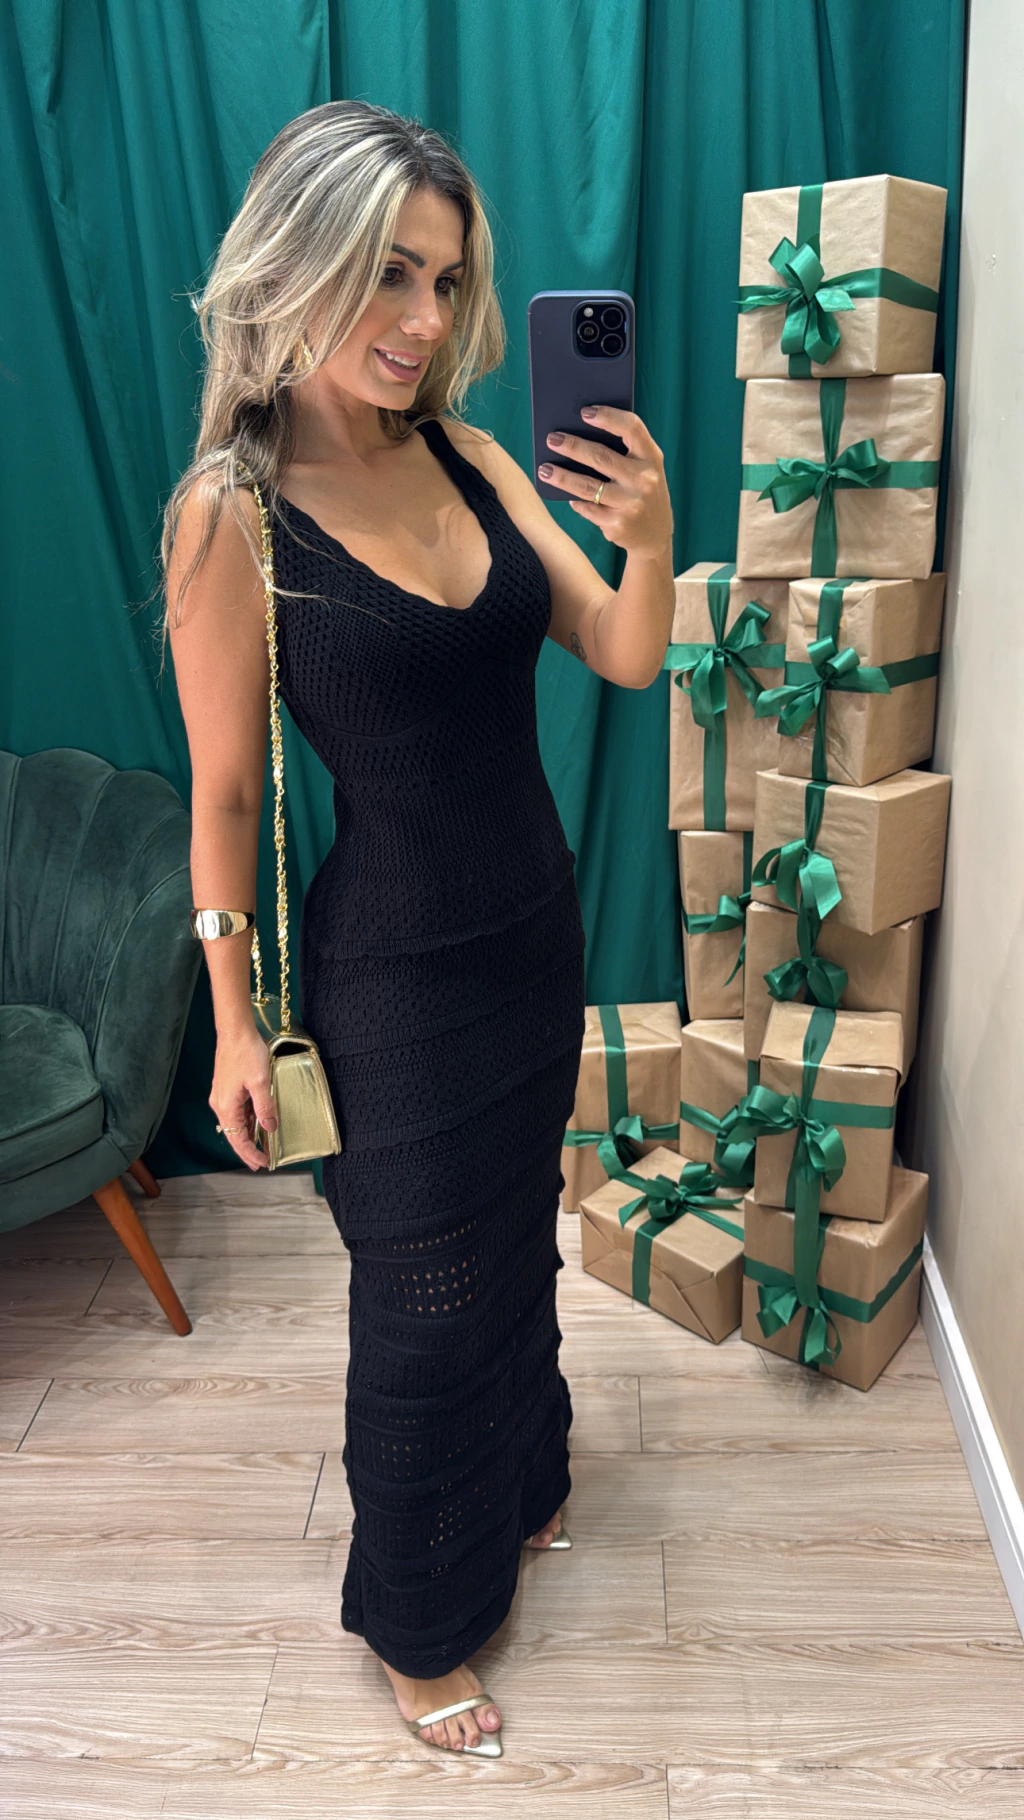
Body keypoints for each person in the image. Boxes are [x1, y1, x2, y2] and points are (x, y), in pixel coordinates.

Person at [165, 99, 673, 1758]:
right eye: (388, 272)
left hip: (532, 936)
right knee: (422, 1309)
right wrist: (235, 1022)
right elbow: (225, 796)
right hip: (390, 983)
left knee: (515, 1238)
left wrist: (651, 538)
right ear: (296, 260)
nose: (422, 318)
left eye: (446, 281)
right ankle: (415, 1622)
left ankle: (521, 1480)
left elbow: (621, 652)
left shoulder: (469, 454)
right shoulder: (232, 515)